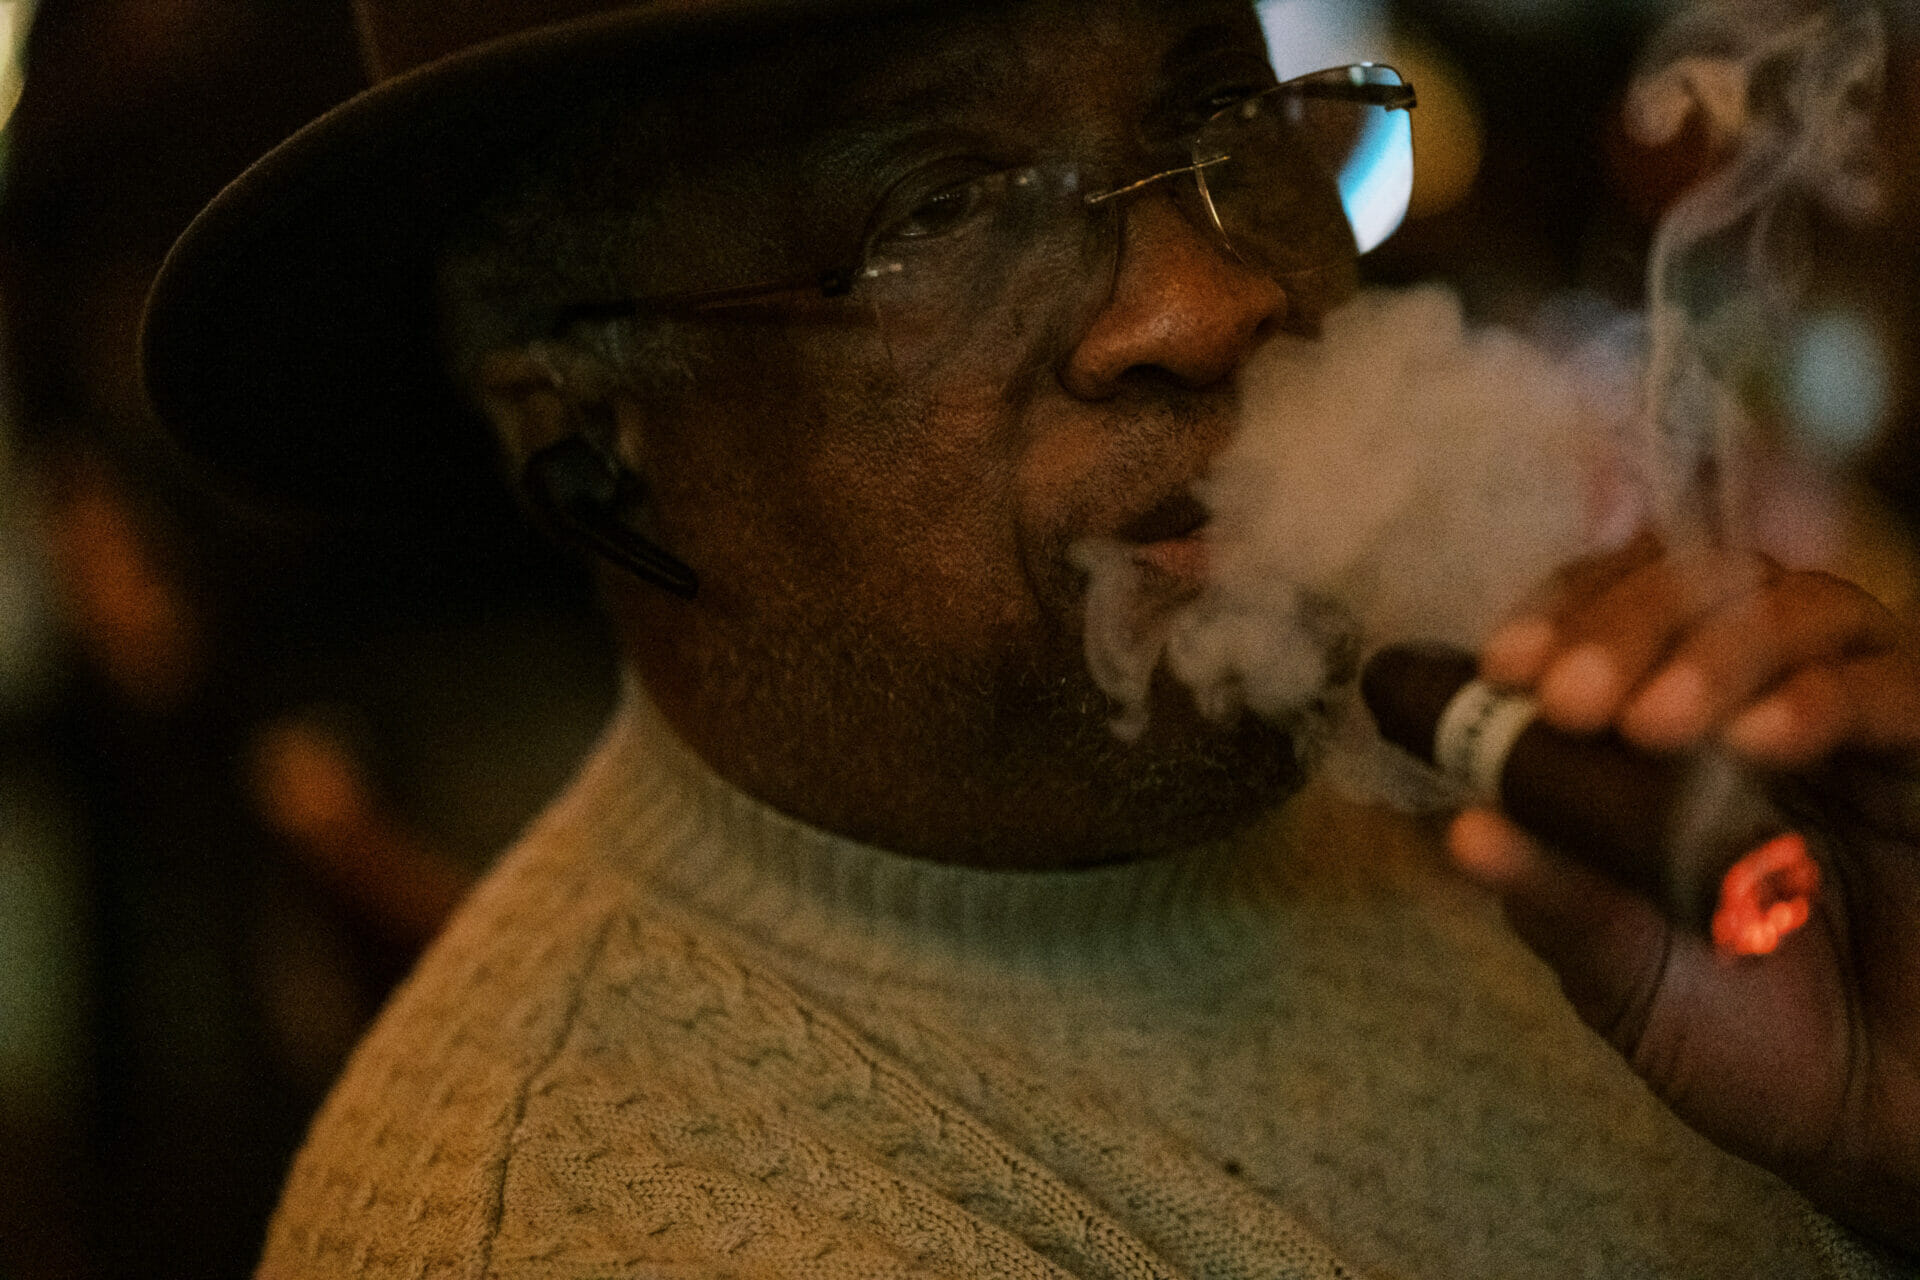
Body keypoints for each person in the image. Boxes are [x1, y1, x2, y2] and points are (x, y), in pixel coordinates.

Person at [140, 0, 1920, 1274]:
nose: (1207, 298)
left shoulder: (1515, 799)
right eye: (933, 209)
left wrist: (1887, 1146)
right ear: (589, 440)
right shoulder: (609, 1223)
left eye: (1226, 120)